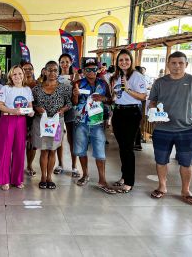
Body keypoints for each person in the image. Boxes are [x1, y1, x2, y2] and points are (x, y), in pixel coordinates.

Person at [149, 51, 192, 206]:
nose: (177, 66)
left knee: (186, 163)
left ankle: (186, 190)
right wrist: (154, 110)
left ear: (186, 64)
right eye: (173, 63)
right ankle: (162, 187)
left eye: (180, 63)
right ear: (168, 64)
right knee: (161, 161)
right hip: (162, 130)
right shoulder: (159, 82)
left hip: (187, 130)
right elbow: (152, 101)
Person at [72, 58, 115, 194]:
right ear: (83, 71)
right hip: (81, 122)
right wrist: (75, 95)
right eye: (88, 69)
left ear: (98, 70)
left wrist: (103, 99)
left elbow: (110, 99)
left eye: (94, 69)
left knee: (100, 151)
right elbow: (73, 102)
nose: (91, 72)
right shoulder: (78, 83)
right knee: (81, 150)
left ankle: (102, 180)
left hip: (97, 122)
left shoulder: (103, 84)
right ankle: (85, 174)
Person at [111, 49, 147, 193]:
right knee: (122, 147)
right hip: (118, 111)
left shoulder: (137, 76)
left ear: (131, 61)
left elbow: (143, 97)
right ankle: (124, 176)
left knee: (128, 148)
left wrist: (127, 89)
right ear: (117, 62)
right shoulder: (116, 76)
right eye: (121, 60)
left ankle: (129, 181)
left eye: (127, 59)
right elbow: (115, 95)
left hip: (132, 112)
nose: (124, 62)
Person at [32, 61, 72, 189]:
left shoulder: (64, 87)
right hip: (41, 122)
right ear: (45, 71)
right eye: (50, 70)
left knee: (53, 150)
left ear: (58, 71)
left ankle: (50, 177)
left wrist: (63, 110)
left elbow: (69, 104)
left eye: (55, 70)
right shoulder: (37, 88)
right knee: (44, 151)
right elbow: (31, 103)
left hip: (57, 122)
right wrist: (37, 108)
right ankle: (43, 177)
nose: (52, 73)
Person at [0, 65, 34, 190]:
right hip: (7, 119)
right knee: (5, 150)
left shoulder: (27, 89)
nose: (17, 76)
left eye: (20, 73)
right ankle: (3, 179)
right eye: (15, 74)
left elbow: (30, 106)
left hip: (21, 121)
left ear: (24, 75)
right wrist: (12, 110)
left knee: (19, 150)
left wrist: (31, 112)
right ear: (11, 76)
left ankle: (17, 179)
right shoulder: (6, 88)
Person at [54, 53, 79, 178]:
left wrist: (75, 84)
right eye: (62, 62)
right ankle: (60, 164)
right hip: (58, 110)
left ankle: (74, 166)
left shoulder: (75, 77)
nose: (64, 64)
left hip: (71, 109)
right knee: (58, 138)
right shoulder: (56, 77)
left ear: (70, 63)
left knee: (72, 138)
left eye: (67, 62)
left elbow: (77, 96)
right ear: (59, 63)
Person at [22, 62, 37, 176]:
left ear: (33, 70)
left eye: (29, 69)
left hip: (34, 117)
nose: (27, 71)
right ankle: (17, 164)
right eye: (25, 69)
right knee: (19, 143)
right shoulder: (17, 85)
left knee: (32, 144)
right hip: (19, 117)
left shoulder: (38, 85)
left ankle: (29, 165)